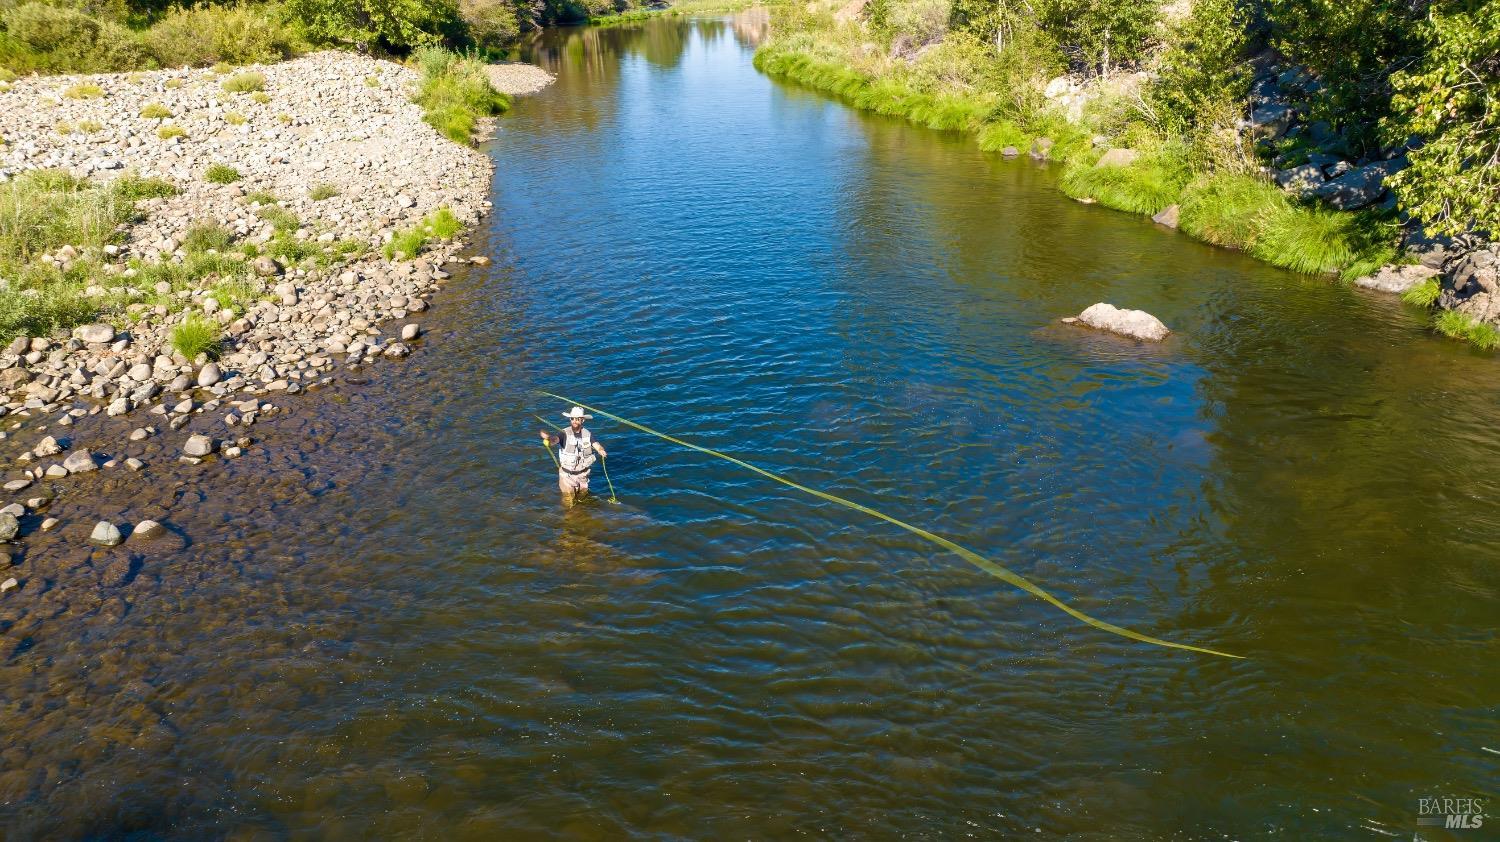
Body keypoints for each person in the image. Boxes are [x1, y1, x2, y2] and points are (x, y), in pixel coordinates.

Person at [541, 406, 607, 504]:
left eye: (577, 419)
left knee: (583, 499)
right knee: (569, 502)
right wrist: (548, 439)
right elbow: (554, 440)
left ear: (582, 420)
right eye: (572, 418)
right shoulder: (563, 433)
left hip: (583, 476)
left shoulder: (587, 434)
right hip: (567, 477)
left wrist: (601, 450)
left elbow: (596, 444)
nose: (574, 421)